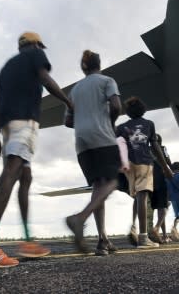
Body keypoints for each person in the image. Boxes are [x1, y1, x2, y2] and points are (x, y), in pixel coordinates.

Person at [0, 32, 72, 267]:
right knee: (13, 170)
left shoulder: (7, 66)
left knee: (24, 175)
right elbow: (45, 78)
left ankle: (28, 240)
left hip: (7, 126)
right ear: (36, 44)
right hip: (24, 123)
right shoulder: (36, 54)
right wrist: (68, 102)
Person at [64, 50, 122, 256]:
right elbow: (116, 105)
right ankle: (80, 217)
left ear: (83, 67)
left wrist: (84, 122)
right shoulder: (107, 81)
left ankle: (102, 240)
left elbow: (67, 121)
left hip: (82, 142)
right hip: (102, 137)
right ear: (100, 64)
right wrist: (110, 123)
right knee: (114, 181)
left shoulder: (75, 90)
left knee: (99, 188)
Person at [117, 96, 173, 248]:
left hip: (128, 165)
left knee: (137, 198)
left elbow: (117, 146)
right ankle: (143, 238)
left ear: (127, 112)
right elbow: (155, 147)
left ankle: (134, 227)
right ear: (143, 110)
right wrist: (165, 167)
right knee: (142, 197)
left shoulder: (121, 127)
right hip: (144, 162)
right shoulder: (149, 124)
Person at [149, 134, 172, 244]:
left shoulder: (147, 150)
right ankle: (157, 229)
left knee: (154, 208)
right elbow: (168, 161)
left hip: (149, 180)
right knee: (163, 207)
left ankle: (160, 235)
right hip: (161, 179)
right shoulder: (163, 149)